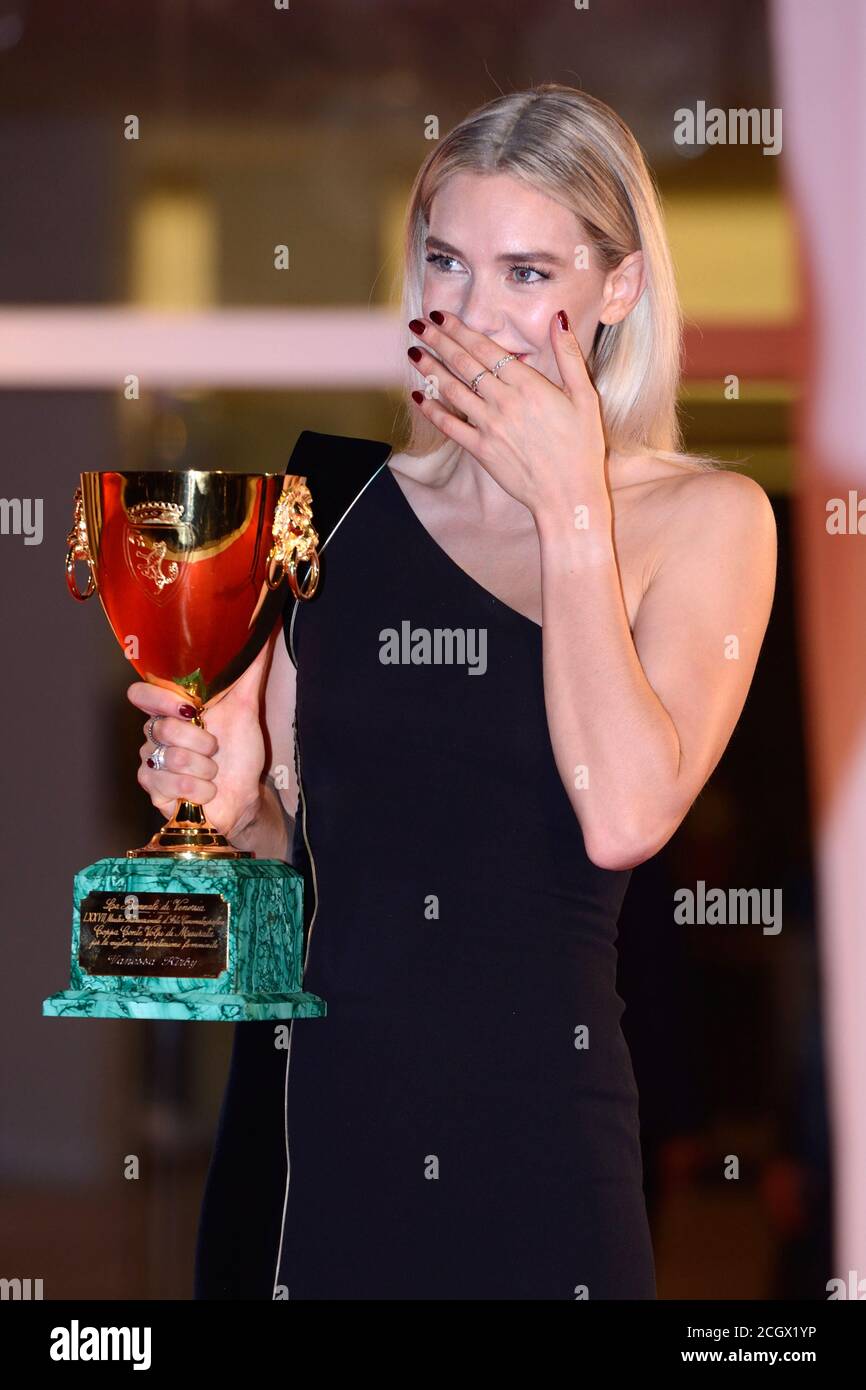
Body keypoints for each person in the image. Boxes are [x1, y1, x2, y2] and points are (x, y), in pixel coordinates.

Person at [127, 83, 777, 1300]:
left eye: (526, 272)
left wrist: (569, 505)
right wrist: (222, 798)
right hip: (313, 1126)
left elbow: (627, 814)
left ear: (615, 293)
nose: (468, 314)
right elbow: (279, 855)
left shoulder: (705, 521)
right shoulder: (329, 504)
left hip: (540, 1138)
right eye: (444, 261)